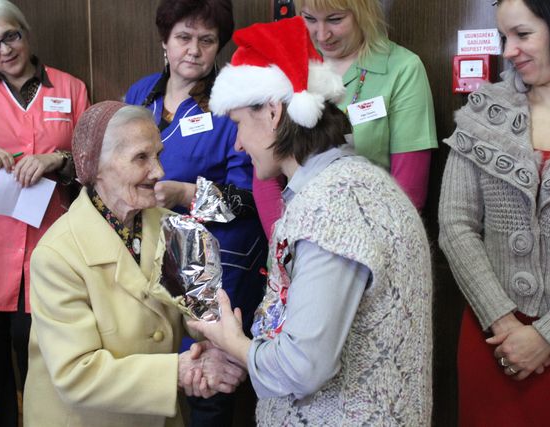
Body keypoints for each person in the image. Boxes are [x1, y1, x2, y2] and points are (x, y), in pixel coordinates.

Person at [189, 16, 433, 426]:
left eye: (237, 124)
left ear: (271, 112)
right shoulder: (353, 184)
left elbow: (302, 368)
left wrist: (234, 343)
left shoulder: (331, 208)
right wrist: (241, 350)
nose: (237, 143)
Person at [23, 101, 247, 427]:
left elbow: (203, 312)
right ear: (95, 166)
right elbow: (75, 373)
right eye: (141, 158)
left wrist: (221, 349)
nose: (159, 171)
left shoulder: (180, 230)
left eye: (158, 154)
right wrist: (180, 371)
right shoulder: (56, 255)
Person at [0, 1, 88, 425]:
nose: (3, 50)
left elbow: (90, 158)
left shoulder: (70, 89)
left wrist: (56, 160)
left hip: (49, 237)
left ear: (25, 32)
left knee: (38, 347)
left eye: (11, 36)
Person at [438, 0, 550, 424]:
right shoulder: (485, 110)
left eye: (523, 34)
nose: (508, 51)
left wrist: (548, 335)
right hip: (493, 339)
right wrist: (503, 322)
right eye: (504, 38)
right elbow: (455, 224)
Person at [124, 0, 266, 424]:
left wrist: (186, 193)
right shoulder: (140, 93)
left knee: (205, 382)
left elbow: (248, 199)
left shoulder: (232, 103)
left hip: (210, 259)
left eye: (207, 40)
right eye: (183, 38)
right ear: (165, 42)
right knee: (154, 366)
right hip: (146, 249)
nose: (194, 49)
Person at [252, 0, 438, 238]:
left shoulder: (403, 69)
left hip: (372, 243)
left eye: (335, 19)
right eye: (309, 19)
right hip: (296, 241)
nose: (322, 34)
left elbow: (408, 189)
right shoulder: (287, 65)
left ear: (364, 12)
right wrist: (285, 249)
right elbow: (265, 174)